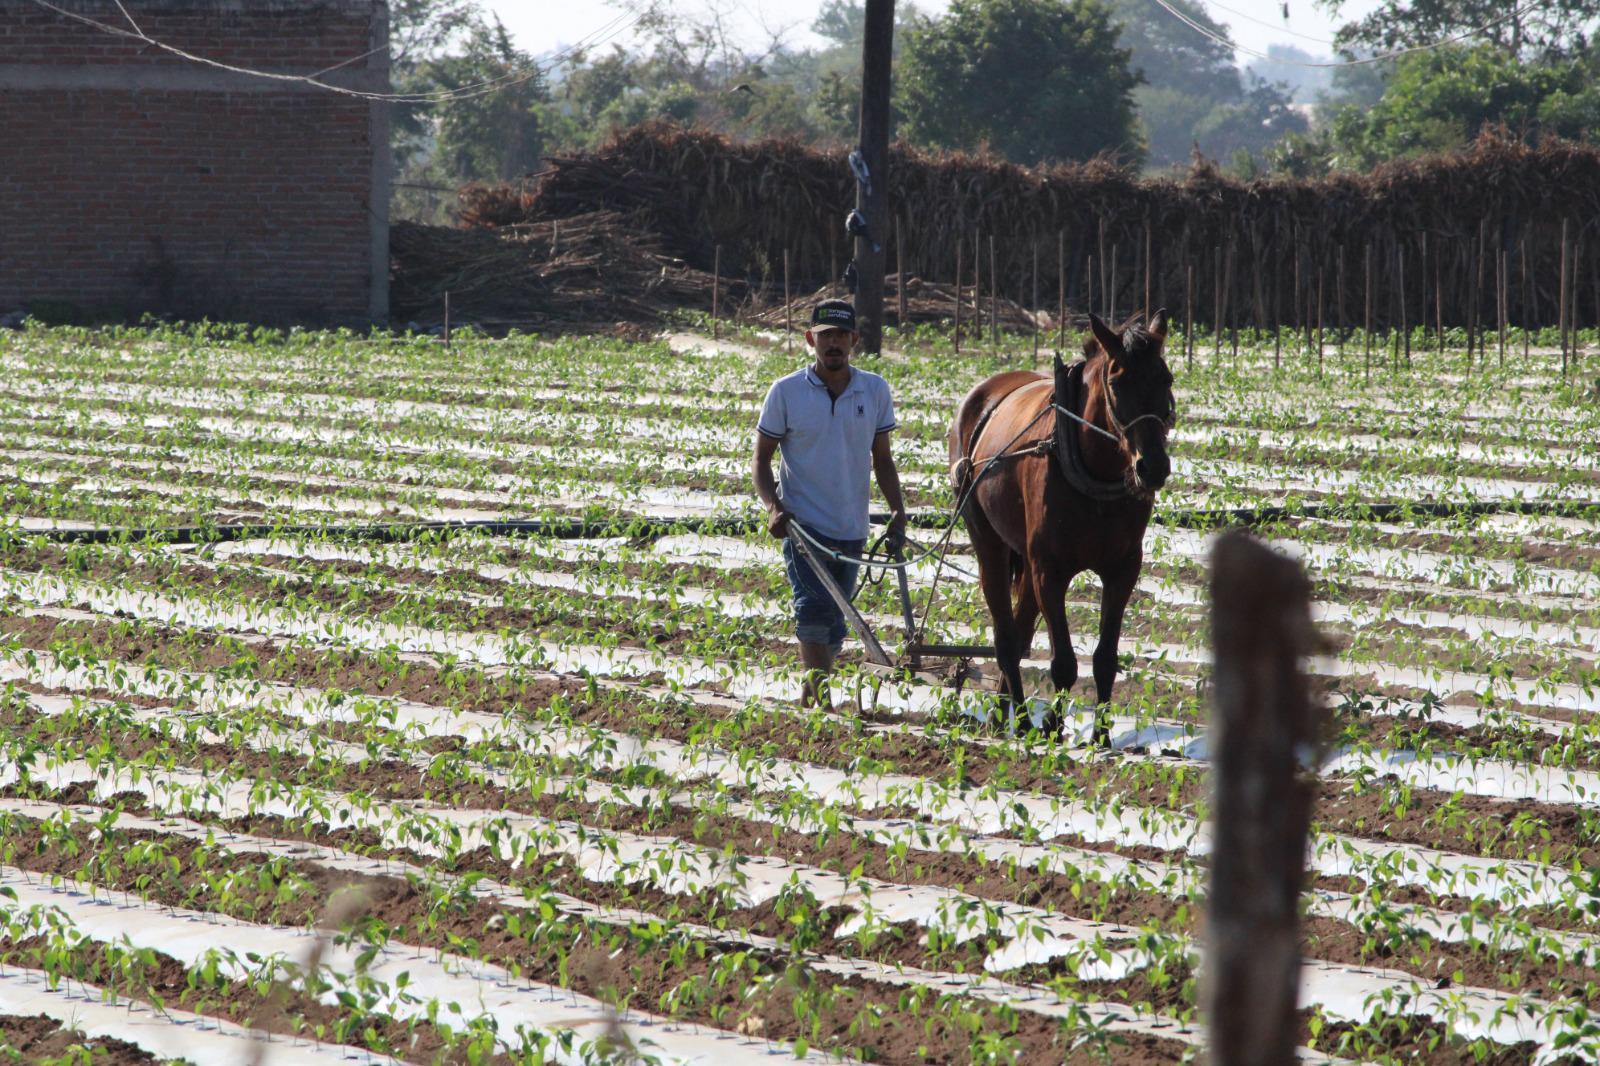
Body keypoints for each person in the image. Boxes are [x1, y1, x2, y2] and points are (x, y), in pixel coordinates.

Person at [753, 299, 907, 708]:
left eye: (841, 335)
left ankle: (809, 693)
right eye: (825, 336)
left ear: (855, 340)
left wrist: (897, 509)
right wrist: (773, 506)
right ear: (810, 340)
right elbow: (761, 460)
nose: (833, 343)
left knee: (837, 624)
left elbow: (883, 459)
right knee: (812, 611)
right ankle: (822, 703)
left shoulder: (873, 389)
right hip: (803, 527)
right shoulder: (785, 392)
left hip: (851, 526)